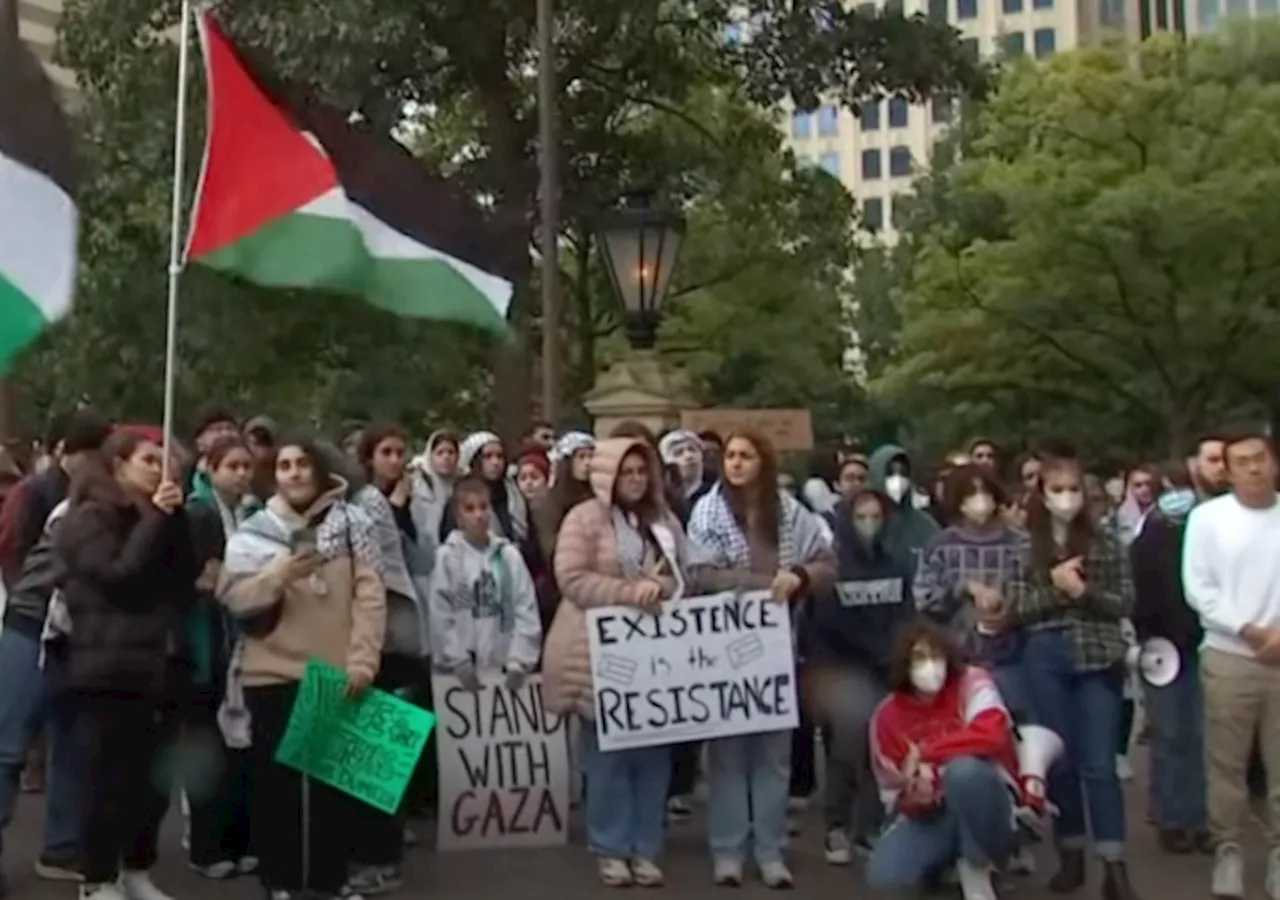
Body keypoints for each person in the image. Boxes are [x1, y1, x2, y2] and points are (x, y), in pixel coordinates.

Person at [544, 437, 720, 888]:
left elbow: (688, 571)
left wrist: (671, 585)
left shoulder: (663, 521)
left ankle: (646, 847)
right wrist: (628, 593)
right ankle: (610, 847)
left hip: (656, 658)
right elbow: (572, 579)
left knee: (653, 757)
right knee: (606, 758)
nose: (637, 480)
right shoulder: (582, 520)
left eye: (643, 472)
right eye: (627, 472)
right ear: (608, 475)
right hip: (597, 653)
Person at [219, 436, 386, 900]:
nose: (293, 472)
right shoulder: (253, 531)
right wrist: (277, 575)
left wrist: (363, 661)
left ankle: (331, 881)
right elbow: (234, 600)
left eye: (302, 464)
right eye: (284, 465)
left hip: (335, 669)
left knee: (334, 789)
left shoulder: (356, 524)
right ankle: (281, 882)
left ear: (319, 469)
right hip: (270, 671)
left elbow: (370, 600)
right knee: (277, 788)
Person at [689, 430, 836, 889]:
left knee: (773, 758)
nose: (735, 463)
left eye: (745, 455)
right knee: (728, 756)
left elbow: (828, 564)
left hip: (778, 648)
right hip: (723, 649)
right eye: (730, 455)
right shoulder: (706, 512)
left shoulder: (791, 512)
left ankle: (770, 851)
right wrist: (760, 585)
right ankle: (728, 851)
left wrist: (797, 576)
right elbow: (699, 573)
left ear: (763, 462)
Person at [55, 431, 197, 900]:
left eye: (164, 462)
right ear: (118, 465)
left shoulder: (158, 516)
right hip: (109, 663)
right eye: (148, 460)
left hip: (161, 662)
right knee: (107, 778)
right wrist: (155, 518)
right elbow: (119, 575)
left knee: (149, 782)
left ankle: (137, 867)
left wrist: (172, 520)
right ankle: (97, 877)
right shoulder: (88, 518)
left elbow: (183, 576)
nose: (159, 469)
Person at [1004, 447, 1140, 900]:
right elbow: (1017, 609)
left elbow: (1124, 602)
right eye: (1056, 490)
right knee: (1058, 760)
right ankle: (1070, 854)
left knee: (1099, 765)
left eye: (1073, 489)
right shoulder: (1024, 546)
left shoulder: (1107, 543)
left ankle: (1114, 864)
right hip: (1044, 657)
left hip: (1098, 657)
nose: (1066, 498)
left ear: (1086, 493)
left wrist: (1082, 591)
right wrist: (1060, 593)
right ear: (1041, 495)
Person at [0, 408, 112, 891]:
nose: (95, 463)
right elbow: (13, 552)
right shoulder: (36, 493)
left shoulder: (106, 500)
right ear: (64, 450)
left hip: (77, 636)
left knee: (73, 742)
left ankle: (62, 846)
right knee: (9, 748)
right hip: (30, 625)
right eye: (88, 452)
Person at [1182, 429, 1280, 900]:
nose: (1254, 469)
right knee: (1227, 764)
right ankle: (1229, 850)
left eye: (1260, 459)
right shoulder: (1207, 519)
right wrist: (1249, 629)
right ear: (1227, 469)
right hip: (1229, 655)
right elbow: (1198, 587)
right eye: (1242, 462)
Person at [865, 622, 1020, 900]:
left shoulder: (972, 682)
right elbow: (892, 793)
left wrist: (926, 751)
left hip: (990, 798)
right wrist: (916, 799)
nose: (931, 666)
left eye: (936, 656)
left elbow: (992, 735)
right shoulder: (886, 716)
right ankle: (947, 863)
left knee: (965, 771)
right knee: (884, 880)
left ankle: (978, 864)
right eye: (920, 658)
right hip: (935, 815)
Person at [808, 488, 914, 866]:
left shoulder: (896, 565)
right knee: (846, 749)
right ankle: (836, 825)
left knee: (880, 753)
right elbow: (822, 625)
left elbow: (907, 617)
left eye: (876, 517)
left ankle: (869, 827)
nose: (869, 525)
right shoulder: (832, 568)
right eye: (862, 517)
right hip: (843, 671)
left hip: (886, 669)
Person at [350, 425, 430, 896]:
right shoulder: (368, 500)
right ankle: (374, 849)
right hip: (371, 634)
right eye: (387, 452)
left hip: (391, 635)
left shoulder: (375, 504)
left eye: (401, 452)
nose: (396, 461)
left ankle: (380, 856)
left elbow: (399, 564)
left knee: (380, 753)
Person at [183, 436, 259, 879]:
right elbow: (200, 576)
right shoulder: (198, 512)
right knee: (208, 742)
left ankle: (243, 837)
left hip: (243, 640)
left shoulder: (252, 514)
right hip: (206, 641)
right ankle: (208, 847)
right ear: (210, 468)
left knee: (242, 742)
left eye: (246, 465)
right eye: (232, 465)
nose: (241, 474)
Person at [1129, 462, 1208, 856]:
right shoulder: (1150, 536)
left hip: (1202, 644)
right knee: (1169, 733)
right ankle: (1170, 816)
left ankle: (1199, 819)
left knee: (1199, 736)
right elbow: (1139, 594)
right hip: (1162, 650)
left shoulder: (1207, 529)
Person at [913, 466, 1031, 718]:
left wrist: (1009, 608)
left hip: (1013, 661)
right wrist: (962, 589)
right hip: (958, 661)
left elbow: (1036, 592)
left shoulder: (1020, 544)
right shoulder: (940, 546)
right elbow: (924, 598)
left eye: (985, 492)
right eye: (970, 493)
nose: (980, 500)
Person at [427, 476, 542, 691]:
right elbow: (441, 613)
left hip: (504, 666)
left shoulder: (508, 556)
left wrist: (519, 659)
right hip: (462, 672)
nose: (479, 515)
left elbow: (525, 606)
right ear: (458, 516)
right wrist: (456, 658)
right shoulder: (448, 558)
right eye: (469, 509)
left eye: (483, 507)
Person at [866, 444, 940, 574]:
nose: (898, 480)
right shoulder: (860, 522)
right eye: (890, 473)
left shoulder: (925, 526)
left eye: (903, 473)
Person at [408, 429, 460, 558]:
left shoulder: (462, 482)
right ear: (430, 455)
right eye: (440, 453)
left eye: (451, 452)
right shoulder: (417, 482)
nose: (446, 457)